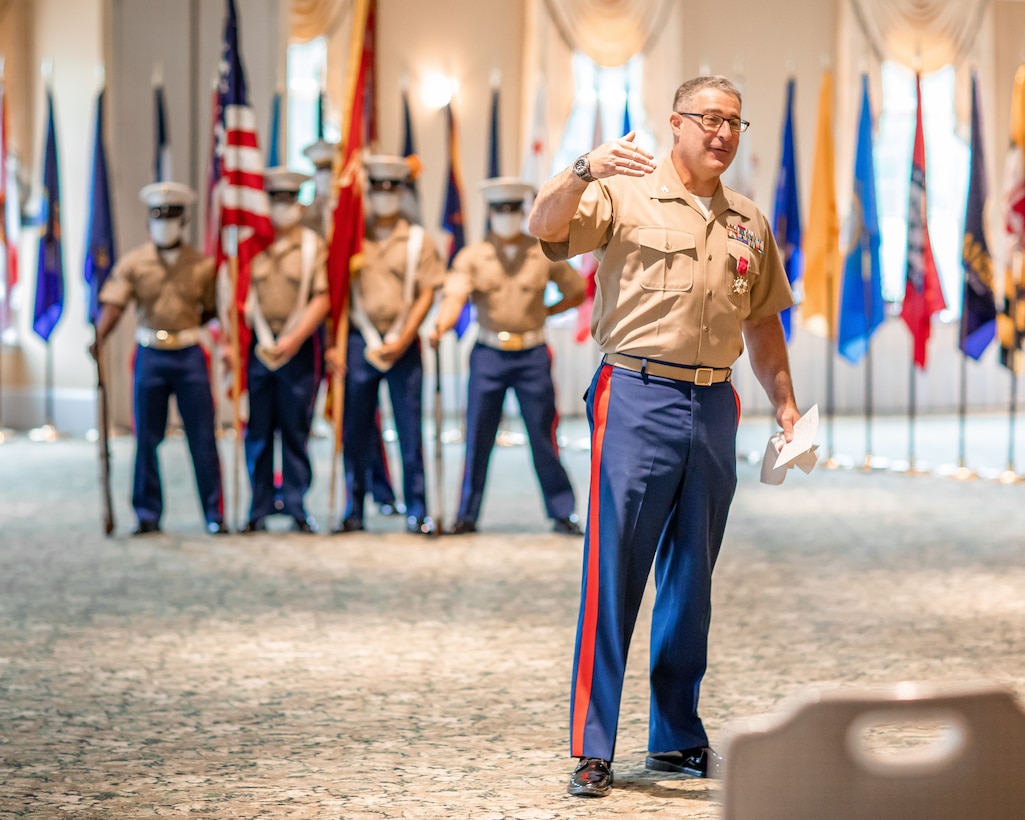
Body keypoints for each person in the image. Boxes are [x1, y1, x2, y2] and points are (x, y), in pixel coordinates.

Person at [528, 76, 801, 797]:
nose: (722, 133)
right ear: (675, 123)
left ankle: (677, 736)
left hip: (714, 404)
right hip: (636, 393)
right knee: (613, 571)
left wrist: (786, 405)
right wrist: (583, 168)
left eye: (734, 123)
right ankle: (592, 746)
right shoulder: (626, 194)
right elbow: (544, 227)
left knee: (690, 578)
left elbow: (764, 320)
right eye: (709, 119)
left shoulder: (747, 221)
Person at [430, 177, 585, 535]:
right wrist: (441, 326)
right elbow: (454, 295)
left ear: (524, 211)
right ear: (490, 213)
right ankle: (466, 514)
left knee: (543, 436)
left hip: (532, 354)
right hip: (489, 354)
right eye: (500, 210)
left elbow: (576, 290)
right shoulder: (473, 256)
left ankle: (562, 512)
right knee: (478, 437)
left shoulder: (543, 250)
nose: (507, 217)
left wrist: (548, 312)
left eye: (514, 209)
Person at [91, 181, 227, 536]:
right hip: (150, 354)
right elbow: (115, 303)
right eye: (158, 216)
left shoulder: (202, 265)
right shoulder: (135, 263)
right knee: (146, 438)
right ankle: (147, 513)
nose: (164, 222)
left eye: (171, 217)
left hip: (188, 354)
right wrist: (99, 335)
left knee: (201, 436)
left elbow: (212, 311)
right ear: (149, 220)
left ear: (183, 221)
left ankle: (215, 512)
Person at [331, 154, 444, 535]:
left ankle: (417, 509)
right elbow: (338, 293)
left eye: (391, 188)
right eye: (376, 188)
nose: (384, 196)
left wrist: (405, 336)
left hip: (404, 345)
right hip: (359, 345)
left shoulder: (417, 240)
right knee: (356, 432)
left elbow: (428, 291)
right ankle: (354, 508)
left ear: (401, 193)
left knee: (410, 430)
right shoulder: (350, 238)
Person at [302, 137, 402, 517]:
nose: (327, 177)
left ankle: (379, 487)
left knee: (361, 413)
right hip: (313, 324)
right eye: (321, 170)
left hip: (353, 321)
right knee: (309, 412)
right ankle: (297, 492)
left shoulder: (358, 214)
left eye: (332, 168)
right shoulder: (308, 216)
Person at [237, 167, 330, 534]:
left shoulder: (311, 245)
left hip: (298, 351)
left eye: (289, 199)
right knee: (258, 430)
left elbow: (321, 297)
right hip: (256, 351)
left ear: (298, 203)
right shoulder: (248, 246)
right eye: (275, 199)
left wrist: (293, 339)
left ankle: (295, 503)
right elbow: (234, 295)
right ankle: (257, 505)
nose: (282, 207)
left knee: (295, 429)